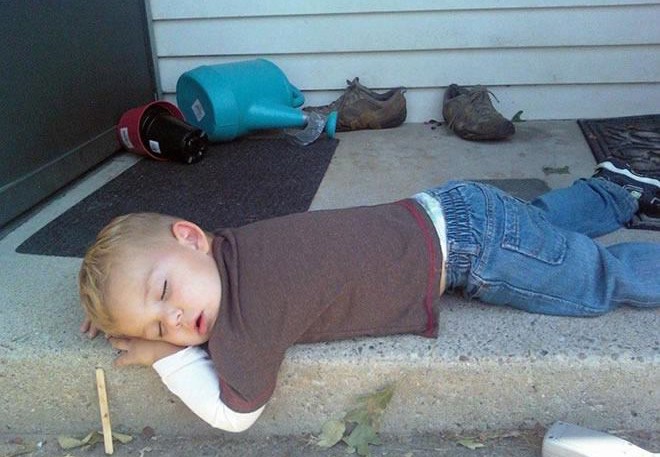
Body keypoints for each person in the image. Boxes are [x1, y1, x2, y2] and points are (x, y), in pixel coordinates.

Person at [78, 158, 660, 433]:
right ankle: (613, 192)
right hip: (456, 208)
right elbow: (150, 275)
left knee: (595, 280)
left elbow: (235, 414)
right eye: (160, 326)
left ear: (190, 236)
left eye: (165, 293)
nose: (178, 318)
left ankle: (617, 209)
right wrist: (123, 310)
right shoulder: (230, 247)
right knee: (536, 230)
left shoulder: (250, 315)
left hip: (475, 252)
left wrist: (165, 355)